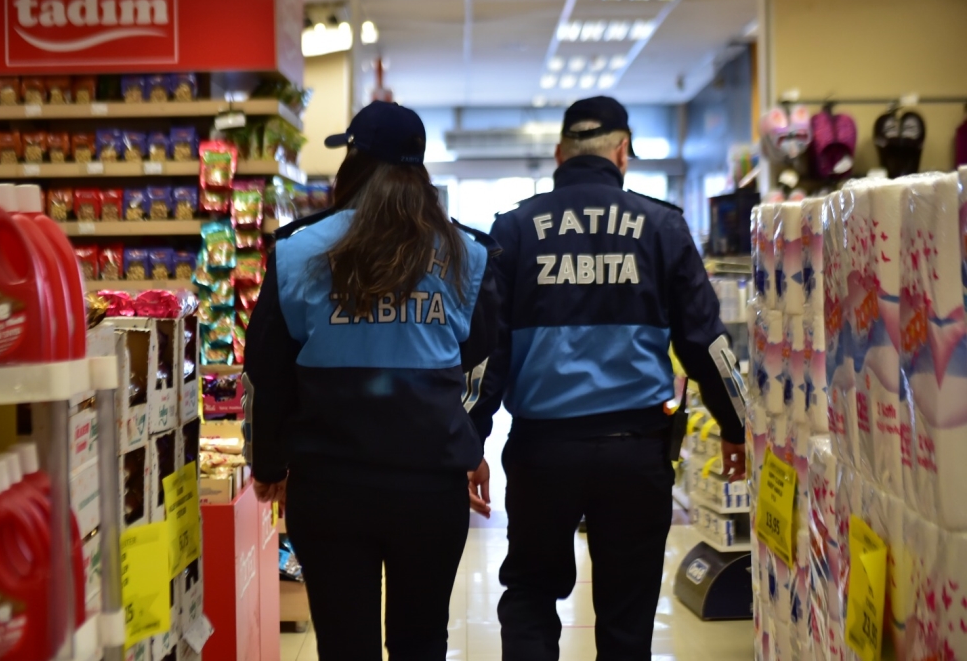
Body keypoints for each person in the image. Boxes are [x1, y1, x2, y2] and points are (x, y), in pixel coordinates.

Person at [469, 96, 747, 661]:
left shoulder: (516, 228)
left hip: (541, 452)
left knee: (529, 595)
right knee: (626, 616)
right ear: (623, 153)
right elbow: (706, 340)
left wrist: (466, 439)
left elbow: (485, 354)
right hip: (634, 454)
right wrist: (736, 424)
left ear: (559, 154)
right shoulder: (663, 224)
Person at [242, 100, 499, 661]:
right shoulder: (465, 254)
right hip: (430, 491)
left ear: (353, 162)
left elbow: (267, 369)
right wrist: (469, 440)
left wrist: (269, 464)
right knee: (422, 639)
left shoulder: (296, 250)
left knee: (343, 645)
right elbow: (485, 362)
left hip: (329, 489)